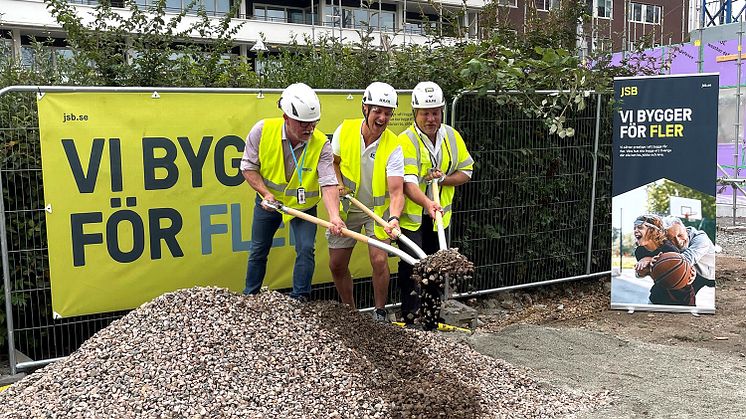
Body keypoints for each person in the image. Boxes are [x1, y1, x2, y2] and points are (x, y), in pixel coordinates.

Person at [240, 82, 345, 301]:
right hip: (269, 202)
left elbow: (328, 181)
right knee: (259, 249)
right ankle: (250, 297)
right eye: (303, 123)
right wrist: (266, 194)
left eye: (313, 123)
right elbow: (248, 167)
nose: (309, 129)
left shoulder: (321, 144)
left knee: (306, 249)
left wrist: (335, 216)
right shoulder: (262, 131)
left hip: (304, 207)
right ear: (286, 117)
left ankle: (301, 300)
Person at [397, 81, 474, 330]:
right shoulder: (406, 140)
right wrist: (428, 200)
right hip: (412, 216)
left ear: (441, 111)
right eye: (425, 113)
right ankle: (410, 318)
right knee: (413, 265)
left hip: (439, 217)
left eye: (435, 112)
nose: (431, 118)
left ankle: (430, 319)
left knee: (437, 266)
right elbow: (408, 183)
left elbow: (467, 171)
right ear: (415, 113)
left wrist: (443, 179)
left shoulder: (451, 136)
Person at [327, 82, 404, 321]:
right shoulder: (345, 130)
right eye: (377, 111)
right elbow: (333, 162)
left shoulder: (393, 145)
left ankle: (380, 312)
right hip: (348, 208)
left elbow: (396, 191)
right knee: (336, 265)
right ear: (365, 108)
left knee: (379, 260)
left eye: (387, 113)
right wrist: (339, 184)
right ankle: (351, 314)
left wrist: (393, 218)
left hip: (377, 210)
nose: (382, 118)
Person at [633, 214, 695, 306]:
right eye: (634, 228)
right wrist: (641, 272)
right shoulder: (640, 251)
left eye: (640, 227)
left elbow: (683, 269)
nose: (635, 231)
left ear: (652, 231)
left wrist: (652, 261)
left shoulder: (669, 249)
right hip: (659, 294)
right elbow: (653, 275)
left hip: (682, 298)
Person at [662, 216, 716, 295]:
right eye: (671, 239)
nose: (678, 241)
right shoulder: (666, 242)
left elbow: (687, 259)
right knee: (681, 298)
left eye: (680, 235)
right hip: (696, 274)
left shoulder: (701, 239)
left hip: (713, 274)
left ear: (685, 229)